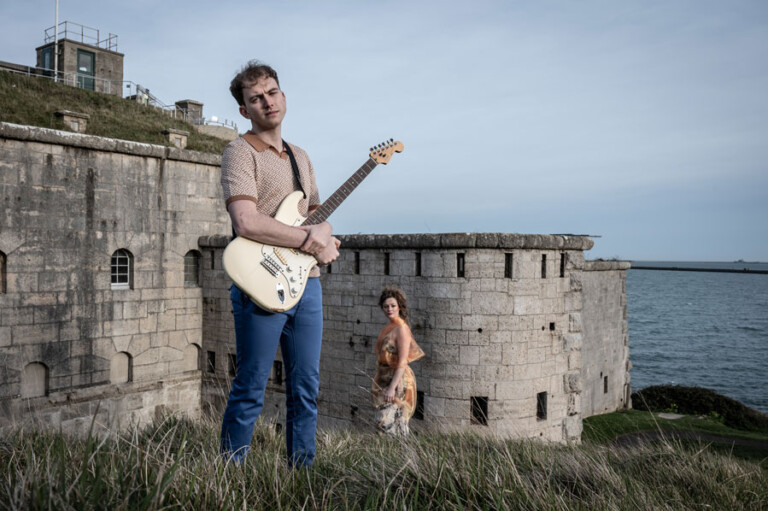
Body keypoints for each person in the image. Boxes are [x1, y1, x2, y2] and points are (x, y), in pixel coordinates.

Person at [219, 60, 340, 467]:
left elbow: (314, 213)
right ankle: (229, 474)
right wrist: (309, 239)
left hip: (307, 282)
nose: (267, 102)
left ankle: (301, 473)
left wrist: (326, 235)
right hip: (259, 284)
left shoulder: (300, 157)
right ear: (244, 110)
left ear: (283, 97)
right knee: (251, 386)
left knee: (305, 387)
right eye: (256, 98)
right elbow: (246, 221)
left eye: (272, 93)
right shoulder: (239, 152)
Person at [372, 286, 425, 435]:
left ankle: (398, 447)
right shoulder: (389, 326)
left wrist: (392, 387)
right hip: (385, 377)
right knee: (387, 421)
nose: (389, 309)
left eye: (393, 306)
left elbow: (402, 361)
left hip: (397, 381)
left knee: (389, 421)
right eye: (386, 306)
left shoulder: (401, 328)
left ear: (399, 307)